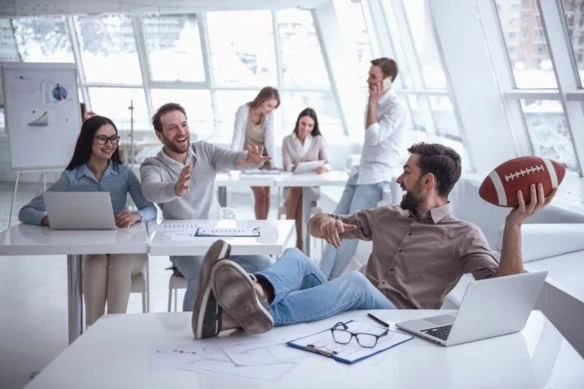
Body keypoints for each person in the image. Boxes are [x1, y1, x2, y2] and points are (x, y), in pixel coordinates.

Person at [191, 143, 554, 339]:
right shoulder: (388, 215)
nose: (398, 178)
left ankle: (241, 314)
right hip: (358, 304)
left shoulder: (464, 235)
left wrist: (513, 226)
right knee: (297, 257)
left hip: (398, 322)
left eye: (406, 172)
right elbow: (323, 223)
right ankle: (252, 296)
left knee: (353, 281)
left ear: (428, 182)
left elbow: (503, 290)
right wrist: (324, 221)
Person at [19, 115, 157, 327]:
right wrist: (48, 219)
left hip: (126, 251)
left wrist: (136, 215)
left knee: (119, 263)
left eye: (113, 138)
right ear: (88, 141)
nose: (109, 145)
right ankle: (93, 333)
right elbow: (27, 211)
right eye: (102, 139)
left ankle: (113, 332)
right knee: (95, 262)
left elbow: (150, 209)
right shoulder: (71, 178)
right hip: (94, 251)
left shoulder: (125, 173)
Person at [139, 102, 273, 314]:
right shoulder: (153, 165)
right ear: (160, 135)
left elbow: (231, 158)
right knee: (204, 270)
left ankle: (256, 317)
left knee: (265, 264)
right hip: (181, 243)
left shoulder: (204, 150)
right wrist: (174, 188)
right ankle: (191, 329)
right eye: (173, 128)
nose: (181, 132)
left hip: (217, 236)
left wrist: (248, 160)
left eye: (184, 125)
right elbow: (150, 190)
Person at [319, 57, 408, 280]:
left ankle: (327, 280)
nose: (368, 80)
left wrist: (371, 104)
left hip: (376, 176)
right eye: (369, 75)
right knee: (333, 223)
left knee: (348, 232)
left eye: (373, 76)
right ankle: (318, 276)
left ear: (388, 80)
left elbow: (373, 136)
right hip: (360, 172)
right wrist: (372, 104)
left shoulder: (396, 106)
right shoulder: (376, 103)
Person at [281, 108, 330, 250]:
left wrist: (324, 168)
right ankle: (300, 245)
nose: (306, 128)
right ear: (298, 122)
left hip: (312, 190)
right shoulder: (287, 140)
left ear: (314, 127)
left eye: (310, 125)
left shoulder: (318, 140)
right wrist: (297, 167)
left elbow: (327, 162)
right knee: (297, 189)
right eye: (303, 124)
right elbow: (286, 165)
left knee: (300, 190)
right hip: (290, 190)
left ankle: (286, 232)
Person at [231, 87, 280, 220]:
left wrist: (274, 163)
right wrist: (231, 161)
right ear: (261, 99)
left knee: (267, 194)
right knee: (260, 194)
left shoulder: (269, 115)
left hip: (264, 158)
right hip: (249, 159)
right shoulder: (243, 110)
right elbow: (237, 136)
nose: (270, 109)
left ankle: (264, 227)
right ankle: (260, 228)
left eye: (273, 107)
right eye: (269, 105)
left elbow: (270, 139)